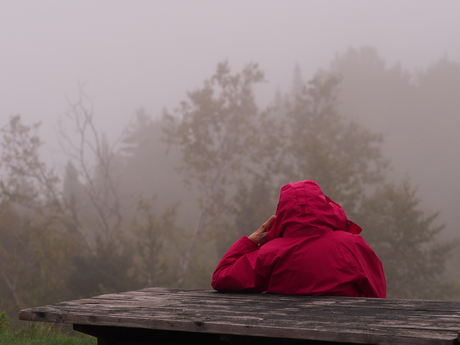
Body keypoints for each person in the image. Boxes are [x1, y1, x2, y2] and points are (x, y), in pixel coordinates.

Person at [211, 180, 386, 298]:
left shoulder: (270, 253)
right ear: (324, 206)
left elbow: (220, 278)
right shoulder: (351, 246)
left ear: (282, 212)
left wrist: (252, 239)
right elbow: (377, 297)